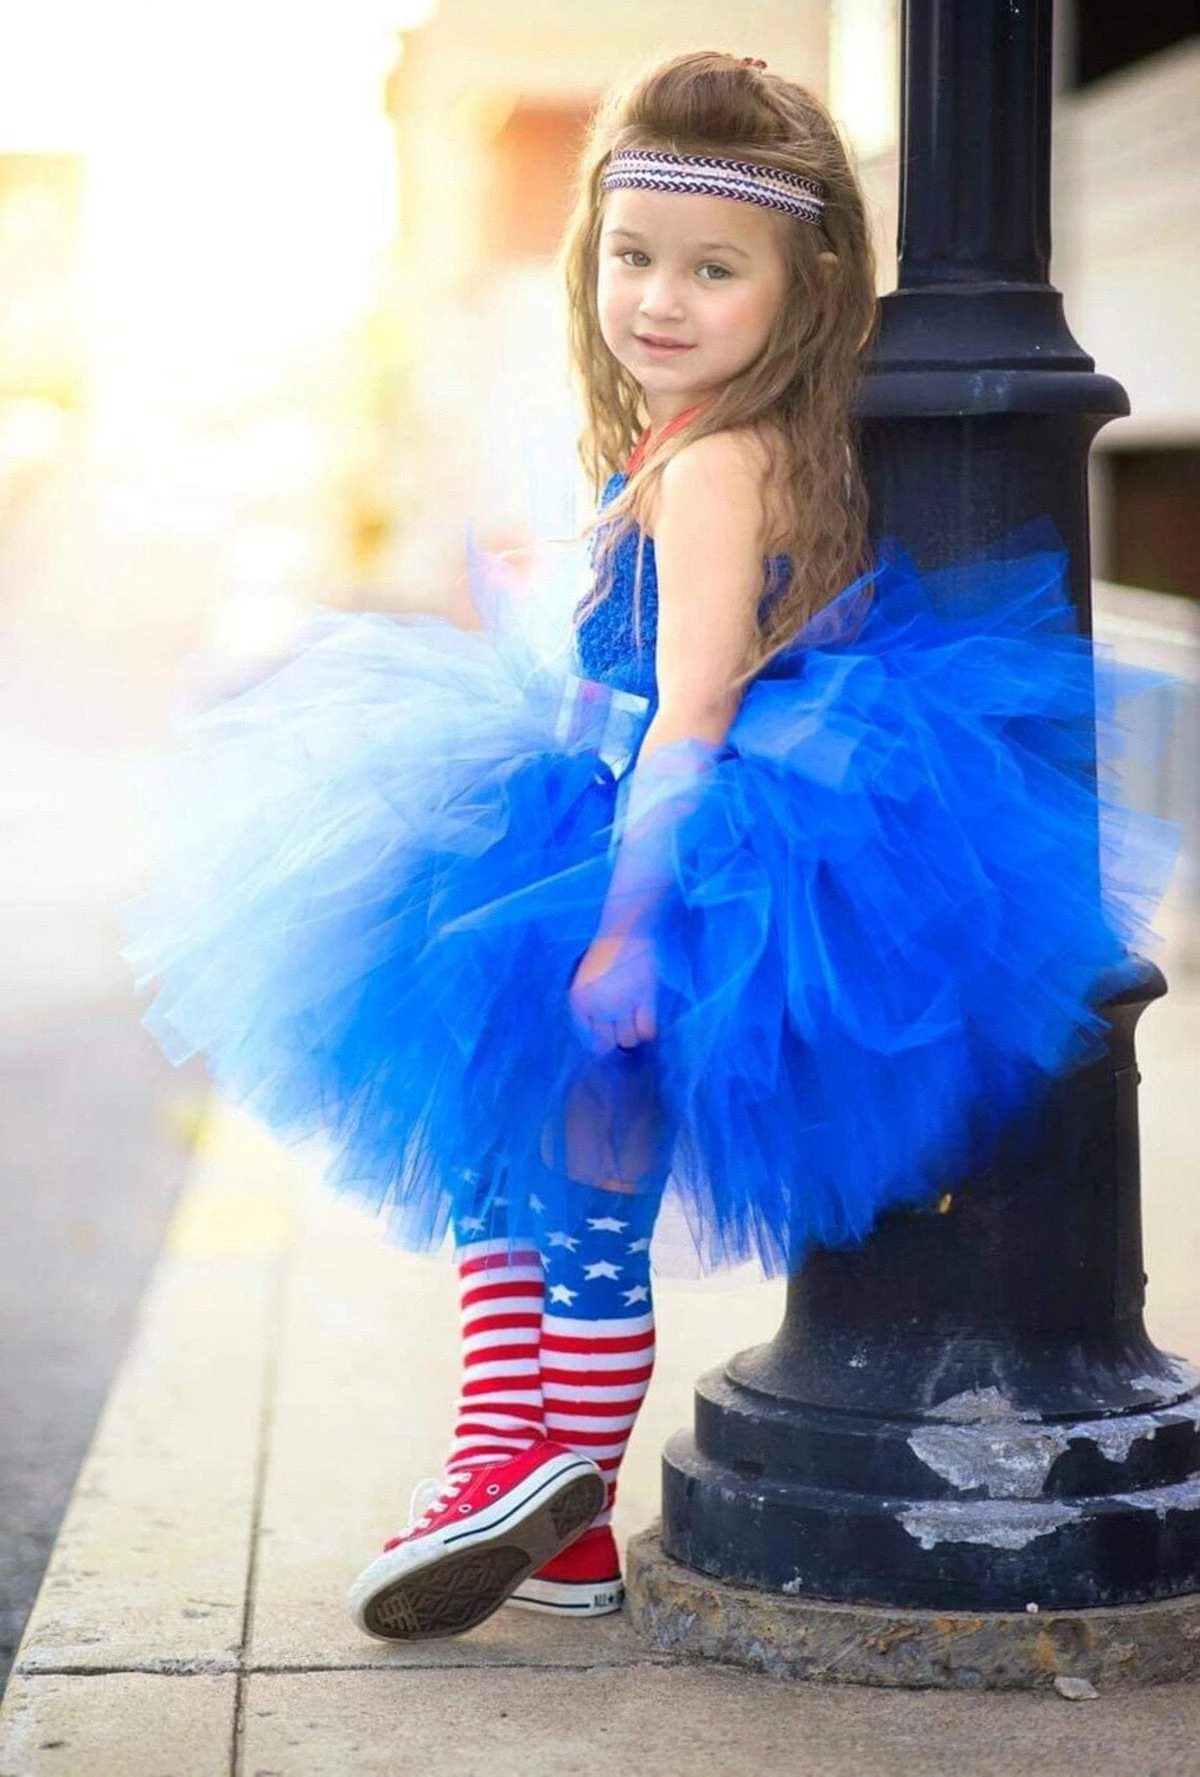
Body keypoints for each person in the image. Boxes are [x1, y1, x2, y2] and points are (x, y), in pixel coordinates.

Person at [122, 50, 1176, 1643]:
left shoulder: (718, 464)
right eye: (632, 256)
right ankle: (531, 1511)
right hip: (602, 830)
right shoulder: (703, 447)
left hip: (661, 864)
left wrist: (625, 930)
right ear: (589, 258)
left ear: (804, 287)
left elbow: (689, 711)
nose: (659, 299)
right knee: (515, 1168)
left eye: (711, 268)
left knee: (575, 1191)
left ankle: (549, 1474)